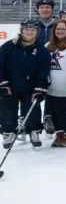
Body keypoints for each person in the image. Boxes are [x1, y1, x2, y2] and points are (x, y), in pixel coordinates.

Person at [0, 19, 51, 150]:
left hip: (31, 87)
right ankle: (8, 132)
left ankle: (34, 131)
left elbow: (44, 70)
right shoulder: (8, 46)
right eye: (27, 29)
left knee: (32, 109)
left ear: (37, 32)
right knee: (8, 110)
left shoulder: (41, 50)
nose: (30, 32)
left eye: (33, 30)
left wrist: (41, 87)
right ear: (22, 30)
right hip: (10, 86)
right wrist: (2, 83)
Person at [44, 20, 66, 147]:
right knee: (53, 111)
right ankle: (59, 134)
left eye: (63, 29)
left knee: (62, 110)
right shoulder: (48, 45)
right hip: (51, 86)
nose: (60, 31)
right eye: (58, 29)